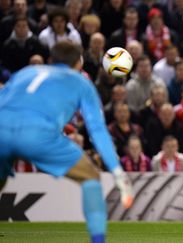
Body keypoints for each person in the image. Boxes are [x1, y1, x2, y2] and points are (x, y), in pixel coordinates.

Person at [0, 42, 133, 243]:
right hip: (37, 134)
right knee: (90, 177)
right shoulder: (80, 82)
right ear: (79, 62)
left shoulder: (27, 72)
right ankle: (98, 241)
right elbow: (96, 129)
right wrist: (116, 170)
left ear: (51, 60)